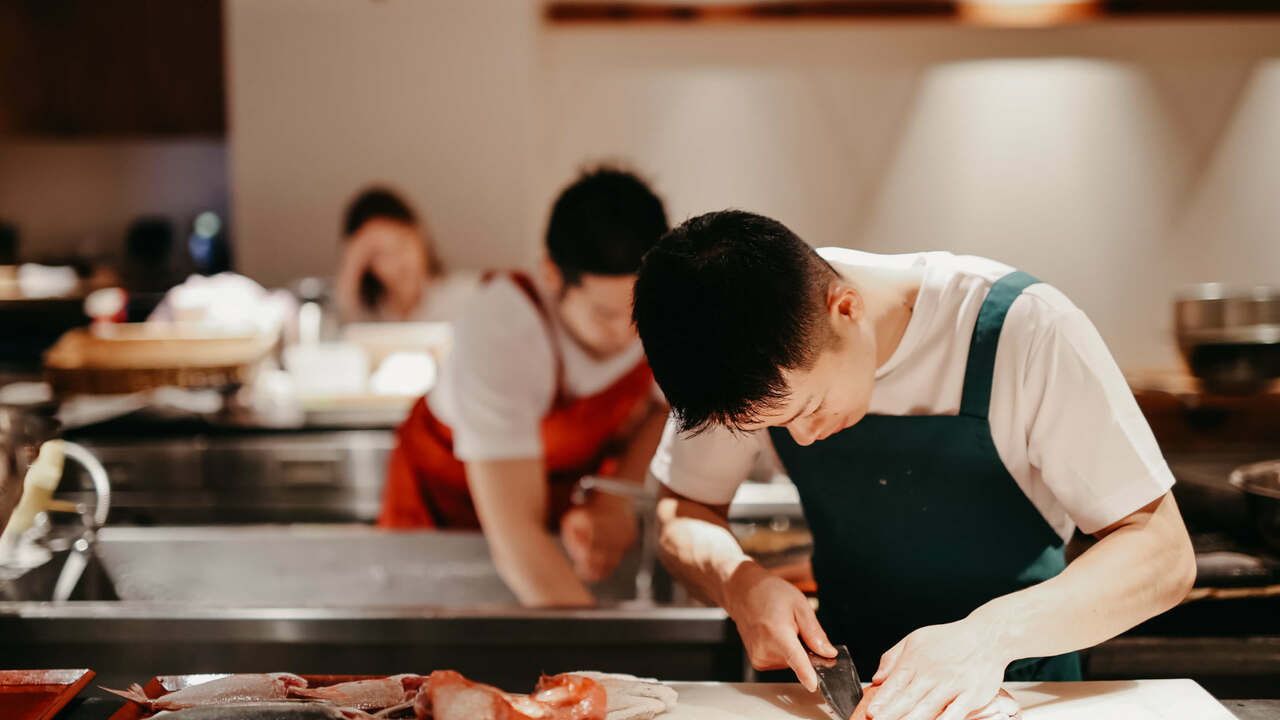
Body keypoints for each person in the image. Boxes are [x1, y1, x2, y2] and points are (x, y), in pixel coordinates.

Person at [632, 211, 1195, 720]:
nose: (799, 438)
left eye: (808, 409)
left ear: (846, 310)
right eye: (772, 427)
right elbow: (683, 509)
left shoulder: (1027, 331)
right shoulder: (734, 343)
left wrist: (989, 637)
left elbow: (1162, 551)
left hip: (1018, 693)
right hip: (840, 697)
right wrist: (741, 584)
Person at [379, 168, 671, 608]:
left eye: (640, 310)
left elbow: (664, 408)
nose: (630, 331)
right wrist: (604, 668)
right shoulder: (504, 329)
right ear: (552, 275)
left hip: (548, 513)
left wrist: (617, 499)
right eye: (606, 316)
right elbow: (517, 539)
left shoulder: (660, 304)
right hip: (443, 515)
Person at [335, 187, 474, 323]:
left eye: (402, 243)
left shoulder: (465, 298)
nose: (398, 261)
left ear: (421, 236)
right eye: (380, 254)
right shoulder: (367, 316)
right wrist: (351, 264)